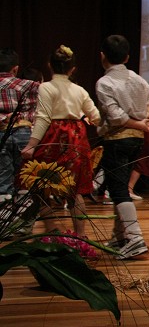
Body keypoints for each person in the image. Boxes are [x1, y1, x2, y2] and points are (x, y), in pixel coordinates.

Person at [21, 45, 102, 237]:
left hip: (54, 137)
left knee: (41, 186)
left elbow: (43, 118)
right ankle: (80, 237)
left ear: (50, 65)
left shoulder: (46, 87)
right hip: (76, 138)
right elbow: (96, 116)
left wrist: (31, 145)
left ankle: (52, 232)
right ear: (72, 69)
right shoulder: (79, 90)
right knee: (74, 190)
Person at [96, 35, 149, 259]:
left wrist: (139, 122)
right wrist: (145, 119)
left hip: (117, 139)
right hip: (137, 139)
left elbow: (116, 117)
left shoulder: (105, 82)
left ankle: (134, 237)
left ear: (103, 56)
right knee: (118, 187)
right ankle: (120, 235)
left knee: (119, 190)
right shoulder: (138, 79)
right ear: (127, 57)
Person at [0, 48, 39, 202]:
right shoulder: (31, 85)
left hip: (1, 134)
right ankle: (23, 213)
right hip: (24, 133)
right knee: (24, 178)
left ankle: (4, 214)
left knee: (3, 179)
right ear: (15, 69)